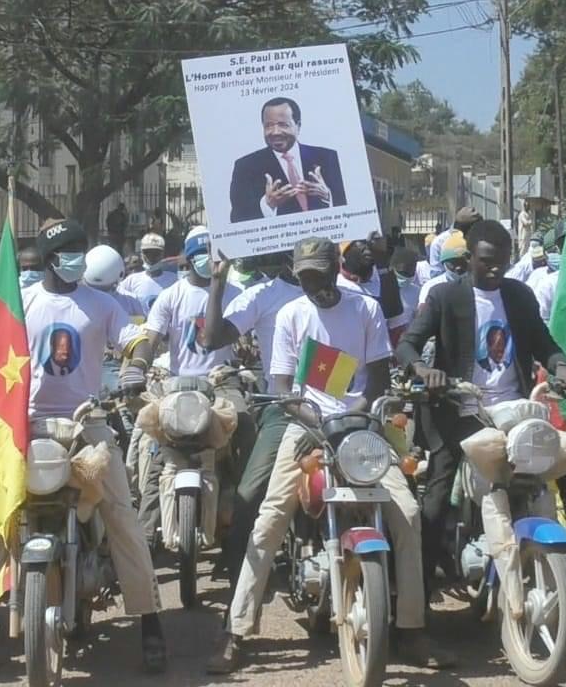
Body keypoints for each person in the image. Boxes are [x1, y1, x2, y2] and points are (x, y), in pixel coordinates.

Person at [208, 237, 454, 673]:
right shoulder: (290, 313)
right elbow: (283, 387)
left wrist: (357, 413)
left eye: (319, 276)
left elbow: (377, 378)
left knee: (408, 512)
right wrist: (312, 418)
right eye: (304, 277)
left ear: (333, 270)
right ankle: (238, 631)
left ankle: (412, 630)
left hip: (361, 429)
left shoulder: (365, 308)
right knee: (268, 520)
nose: (312, 285)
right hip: (304, 428)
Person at [0, 219, 166, 672]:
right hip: (24, 427)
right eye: (69, 249)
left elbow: (137, 339)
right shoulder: (21, 303)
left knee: (122, 516)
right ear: (50, 256)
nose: (78, 255)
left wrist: (136, 364)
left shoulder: (103, 304)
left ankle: (150, 621)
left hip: (87, 423)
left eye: (82, 247)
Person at [396, 220, 566, 595]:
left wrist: (561, 366)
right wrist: (424, 370)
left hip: (517, 412)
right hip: (461, 411)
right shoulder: (445, 297)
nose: (495, 269)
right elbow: (407, 345)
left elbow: (543, 342)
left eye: (501, 261)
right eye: (486, 261)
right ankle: (421, 593)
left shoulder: (519, 296)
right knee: (436, 493)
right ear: (469, 259)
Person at [129, 227, 240, 548]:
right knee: (149, 452)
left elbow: (244, 334)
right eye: (201, 253)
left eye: (213, 253)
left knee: (242, 437)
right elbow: (150, 339)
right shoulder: (171, 296)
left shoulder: (231, 293)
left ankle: (238, 526)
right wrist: (138, 365)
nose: (208, 260)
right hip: (176, 388)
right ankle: (146, 537)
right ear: (189, 259)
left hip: (221, 384)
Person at [200, 249, 302, 578]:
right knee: (252, 490)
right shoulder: (264, 295)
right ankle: (237, 565)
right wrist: (217, 281)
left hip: (338, 409)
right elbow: (213, 338)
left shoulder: (349, 297)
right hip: (281, 408)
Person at [229, 97, 346, 223]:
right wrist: (268, 205)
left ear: (298, 126)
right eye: (268, 126)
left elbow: (349, 205)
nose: (275, 132)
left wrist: (327, 196)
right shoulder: (246, 166)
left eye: (283, 125)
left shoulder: (327, 157)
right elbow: (238, 218)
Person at [84, 244, 146, 323]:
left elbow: (141, 327)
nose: (101, 295)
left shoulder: (130, 301)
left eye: (104, 289)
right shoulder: (77, 300)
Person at [118, 232, 177, 313]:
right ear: (141, 254)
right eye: (147, 252)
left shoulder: (174, 281)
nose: (151, 257)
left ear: (162, 254)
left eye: (156, 253)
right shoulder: (131, 281)